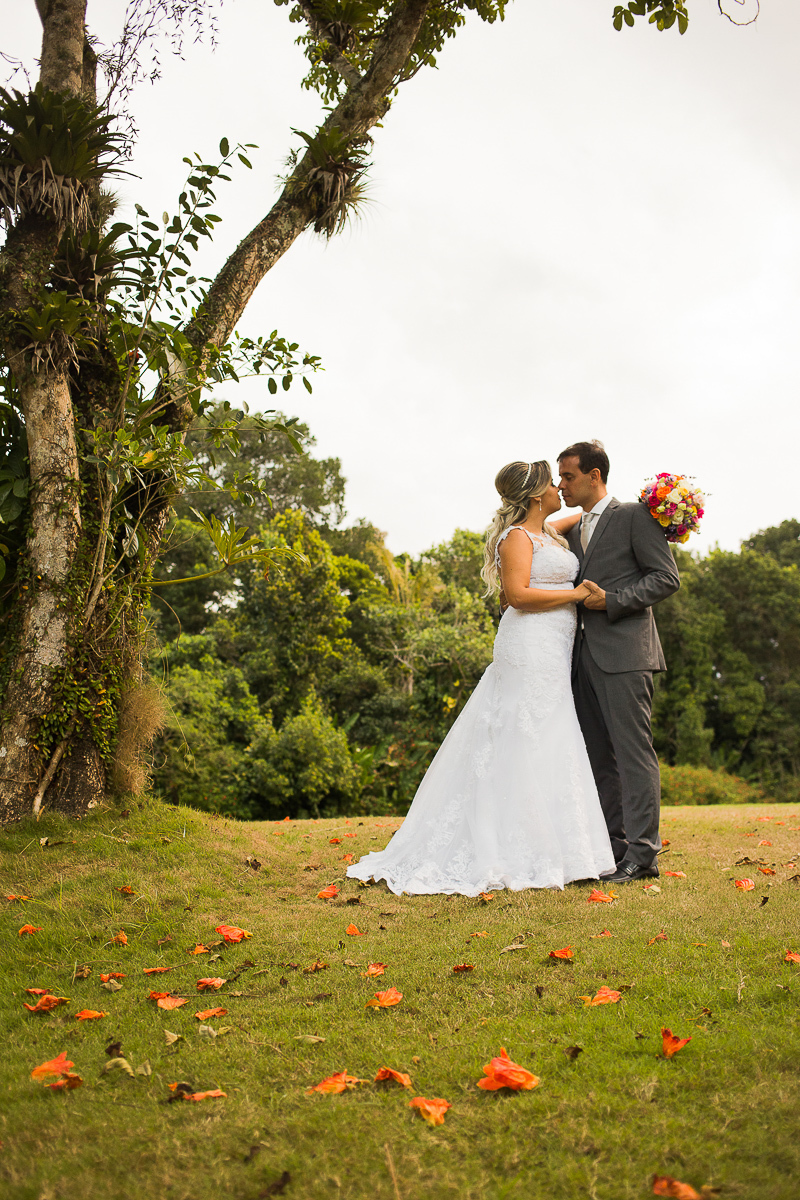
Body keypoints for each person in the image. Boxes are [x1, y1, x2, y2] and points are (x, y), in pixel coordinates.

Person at [346, 460, 615, 896]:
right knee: (521, 732)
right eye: (552, 483)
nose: (558, 489)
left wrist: (650, 505)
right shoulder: (516, 538)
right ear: (534, 495)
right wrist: (578, 595)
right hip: (527, 644)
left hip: (554, 647)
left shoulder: (551, 532)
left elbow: (593, 514)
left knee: (550, 733)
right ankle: (509, 848)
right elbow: (518, 595)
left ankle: (559, 849)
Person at [557, 440, 681, 883]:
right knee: (598, 757)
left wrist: (612, 601)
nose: (562, 484)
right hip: (582, 658)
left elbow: (666, 578)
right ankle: (614, 849)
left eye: (568, 476)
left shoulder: (632, 516)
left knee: (633, 755)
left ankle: (643, 854)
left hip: (627, 654)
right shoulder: (572, 531)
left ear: (594, 475)